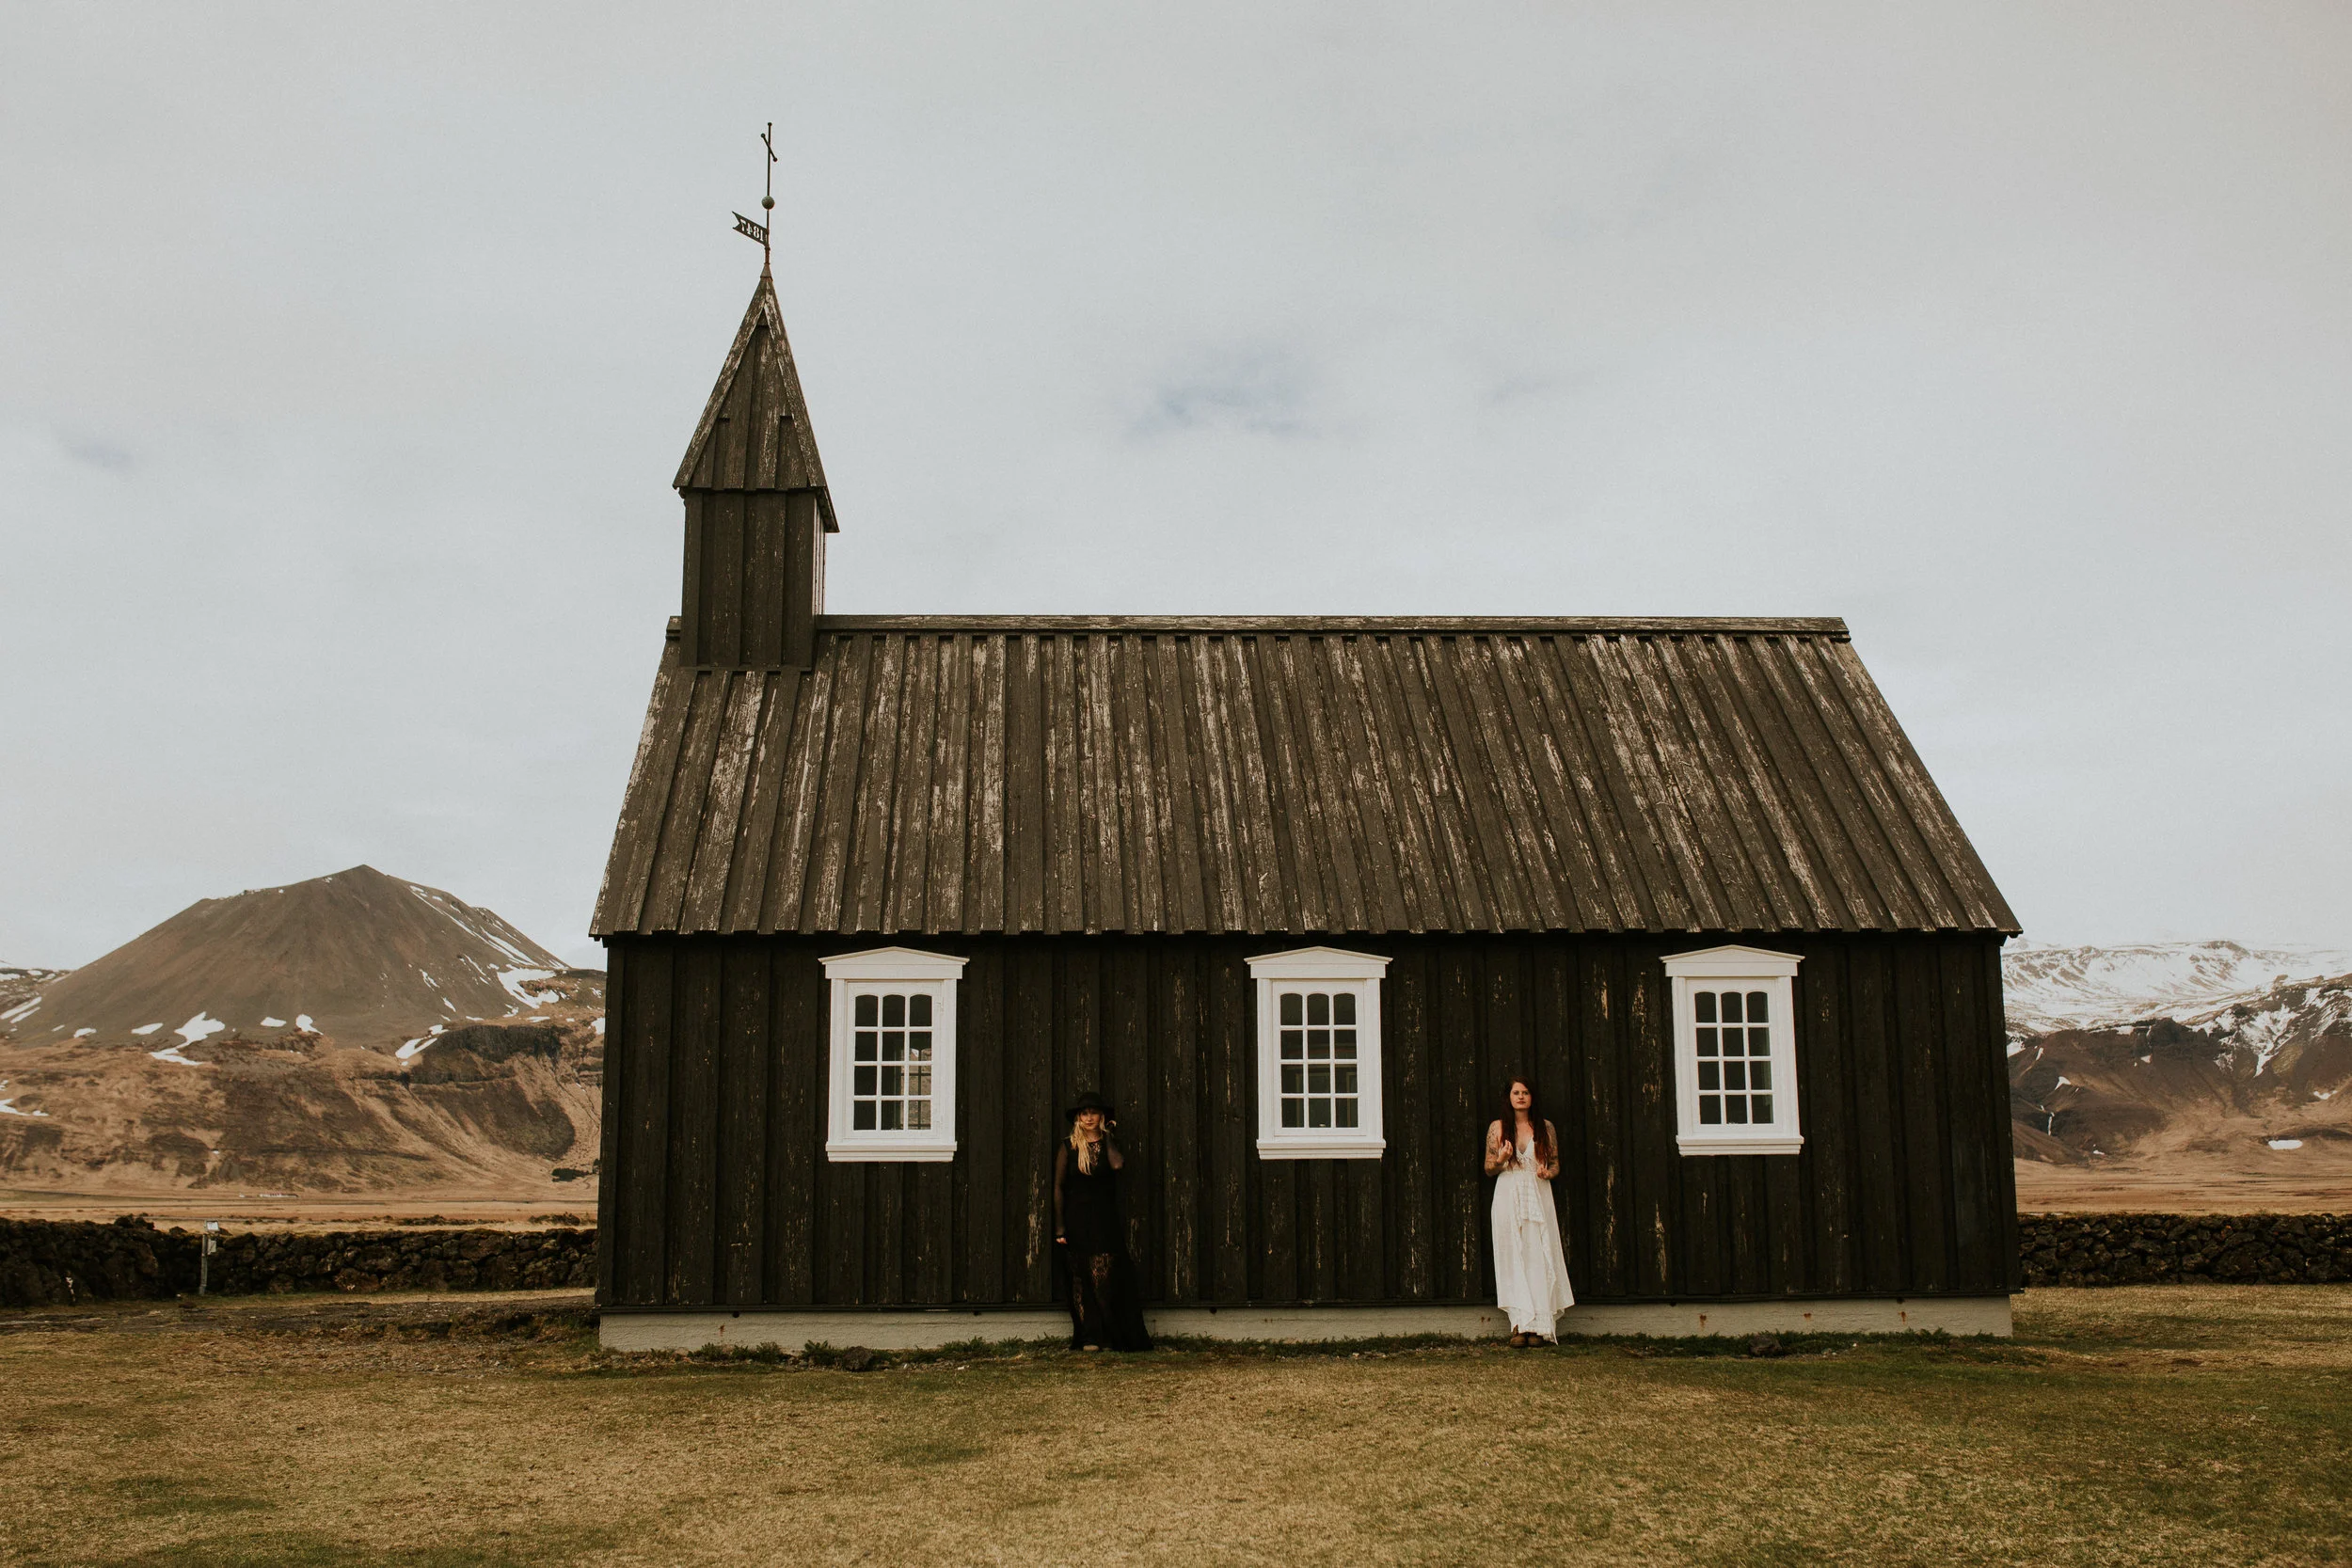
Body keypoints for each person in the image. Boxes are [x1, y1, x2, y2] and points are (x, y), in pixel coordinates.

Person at [1054, 1091, 1152, 1352]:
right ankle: (1089, 1338)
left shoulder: (1108, 1143)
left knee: (1103, 1280)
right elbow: (1058, 1187)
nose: (1088, 1118)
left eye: (1093, 1113)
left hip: (1103, 1219)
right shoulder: (1068, 1147)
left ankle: (1110, 1335)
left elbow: (1118, 1166)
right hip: (1075, 1219)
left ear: (1101, 1117)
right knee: (1078, 1280)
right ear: (1078, 1117)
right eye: (1084, 1113)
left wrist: (1105, 1136)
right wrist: (1060, 1226)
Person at [1486, 1077, 1575, 1347]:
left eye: (1525, 1092)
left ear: (1532, 1097)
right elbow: (1489, 1168)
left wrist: (1548, 1172)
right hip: (1508, 1193)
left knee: (1537, 1253)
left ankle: (1539, 1326)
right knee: (1513, 1255)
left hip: (1537, 1192)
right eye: (1516, 1092)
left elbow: (1556, 1163)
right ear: (1509, 1097)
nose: (1521, 1097)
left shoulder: (1545, 1127)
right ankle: (1519, 1325)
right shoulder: (1498, 1128)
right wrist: (1501, 1160)